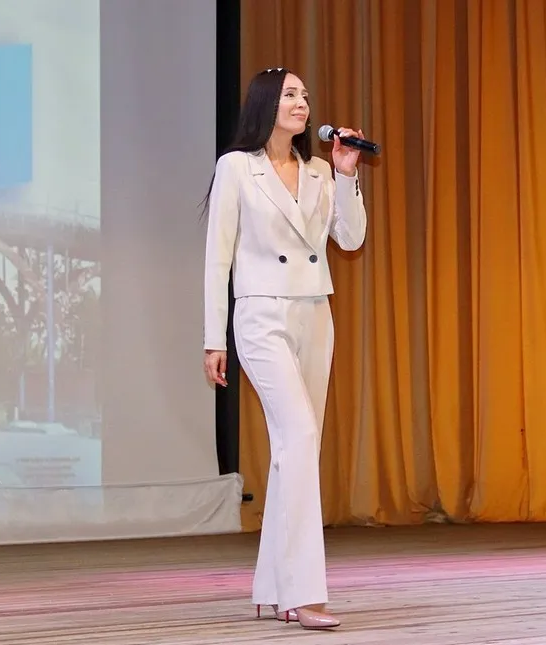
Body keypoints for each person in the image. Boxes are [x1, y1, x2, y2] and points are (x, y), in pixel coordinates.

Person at [201, 67, 367, 630]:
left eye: (305, 96)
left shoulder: (319, 170)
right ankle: (303, 591)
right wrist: (213, 337)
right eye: (291, 95)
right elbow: (217, 257)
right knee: (297, 436)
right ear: (266, 104)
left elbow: (351, 238)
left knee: (296, 450)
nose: (302, 103)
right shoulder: (236, 167)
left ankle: (272, 585)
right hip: (261, 314)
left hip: (315, 313)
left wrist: (346, 174)